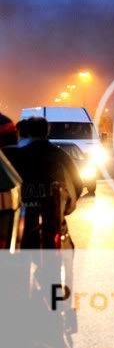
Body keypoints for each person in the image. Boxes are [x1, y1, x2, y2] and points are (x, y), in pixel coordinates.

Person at [4, 117, 82, 326]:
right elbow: (77, 189)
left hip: (14, 233)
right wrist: (63, 209)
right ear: (46, 133)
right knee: (65, 256)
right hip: (52, 227)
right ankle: (63, 308)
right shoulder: (60, 156)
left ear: (22, 133)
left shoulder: (10, 158)